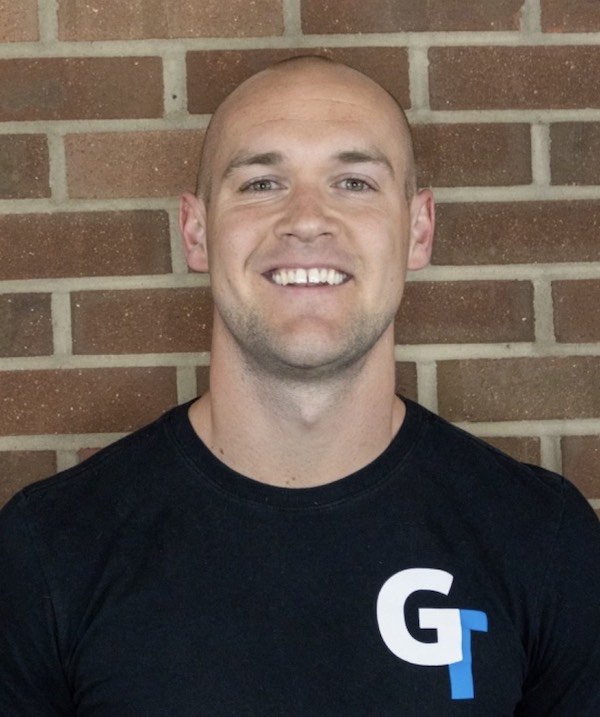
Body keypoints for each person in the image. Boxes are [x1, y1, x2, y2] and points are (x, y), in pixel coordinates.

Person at [1, 56, 599, 716]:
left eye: (353, 181)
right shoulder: (49, 551)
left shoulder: (544, 539)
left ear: (418, 229)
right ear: (196, 231)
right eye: (261, 183)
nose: (308, 219)